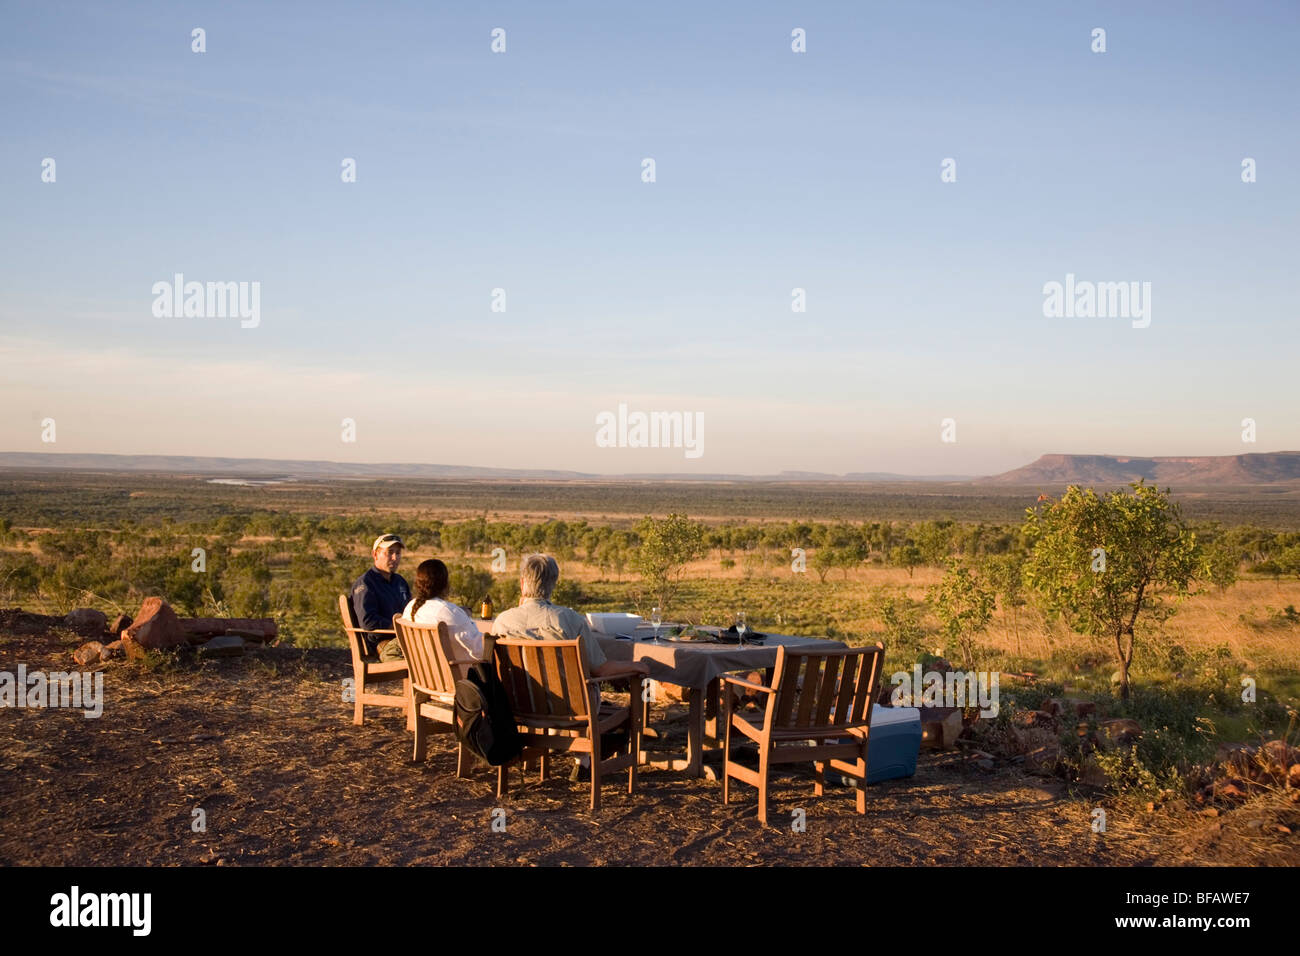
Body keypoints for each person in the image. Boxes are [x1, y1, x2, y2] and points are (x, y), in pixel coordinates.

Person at [491, 553, 648, 681]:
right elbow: (601, 670)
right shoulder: (569, 619)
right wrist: (637, 666)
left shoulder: (503, 621)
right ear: (553, 583)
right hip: (570, 710)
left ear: (522, 583)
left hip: (518, 708)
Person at [400, 559, 484, 661]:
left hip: (422, 674)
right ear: (445, 584)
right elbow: (480, 651)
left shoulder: (410, 607)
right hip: (458, 675)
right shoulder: (448, 612)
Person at [350, 533, 412, 661]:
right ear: (375, 554)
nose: (395, 558)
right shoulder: (365, 584)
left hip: (405, 639)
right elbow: (368, 622)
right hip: (384, 644)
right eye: (389, 552)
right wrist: (398, 626)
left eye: (398, 553)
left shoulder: (400, 582)